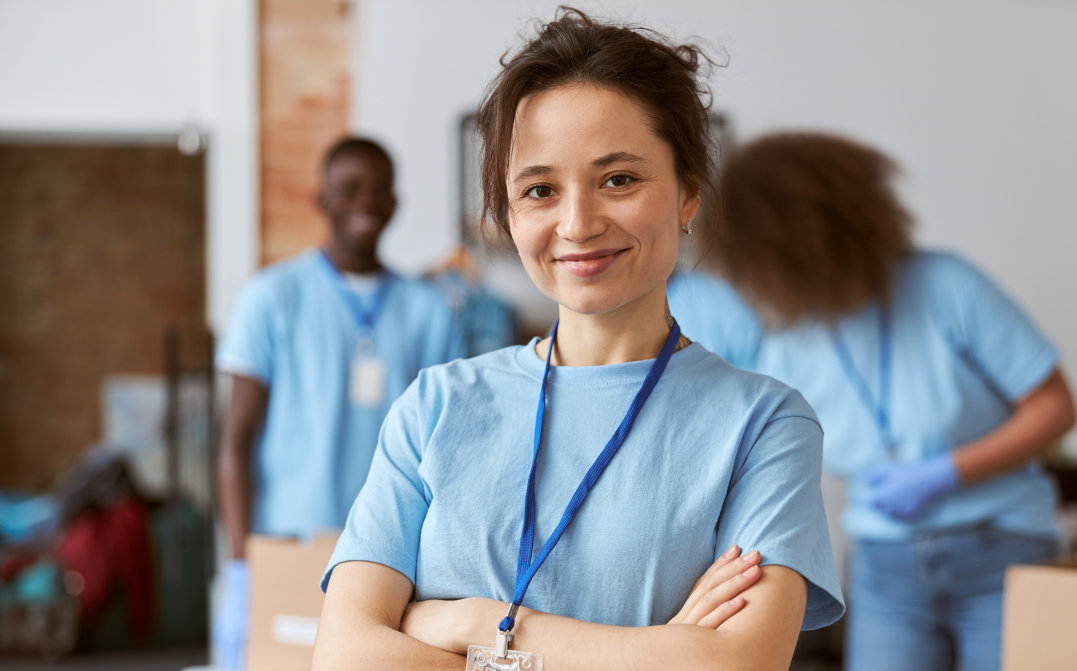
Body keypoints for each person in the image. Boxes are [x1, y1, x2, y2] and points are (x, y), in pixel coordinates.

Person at [313, 10, 844, 671]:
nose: (577, 222)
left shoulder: (764, 425)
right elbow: (347, 656)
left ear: (687, 193)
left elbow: (734, 664)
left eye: (618, 179)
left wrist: (477, 624)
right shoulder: (435, 407)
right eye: (539, 189)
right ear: (508, 214)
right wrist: (659, 649)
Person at [668, 131, 1076, 671]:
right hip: (885, 568)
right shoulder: (782, 336)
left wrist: (946, 472)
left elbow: (1055, 408)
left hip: (1000, 548)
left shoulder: (946, 286)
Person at [213, 137, 466, 670]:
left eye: (379, 192)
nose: (365, 205)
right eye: (349, 190)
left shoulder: (431, 311)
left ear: (395, 204)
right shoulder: (271, 297)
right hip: (288, 546)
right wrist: (242, 567)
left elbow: (453, 449)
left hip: (393, 559)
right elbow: (235, 442)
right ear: (321, 199)